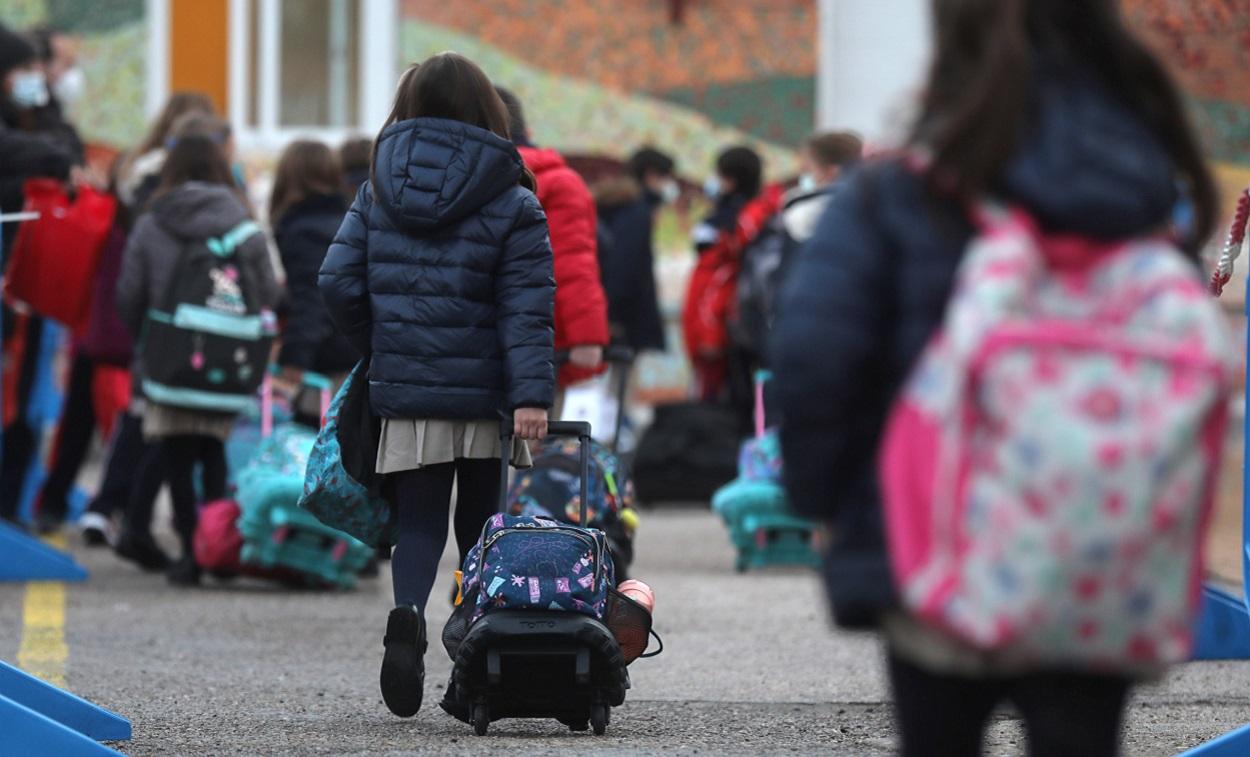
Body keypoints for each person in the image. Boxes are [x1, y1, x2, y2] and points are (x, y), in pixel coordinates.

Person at [771, 1, 1218, 755]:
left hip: (931, 541)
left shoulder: (897, 191)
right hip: (1098, 541)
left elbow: (815, 354)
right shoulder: (1140, 192)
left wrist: (823, 497)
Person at [319, 53, 555, 719]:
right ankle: (473, 652)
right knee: (479, 524)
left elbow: (335, 282)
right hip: (482, 392)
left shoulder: (376, 186)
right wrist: (532, 394)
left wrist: (380, 343)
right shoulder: (512, 196)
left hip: (407, 386)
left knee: (418, 519)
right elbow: (526, 308)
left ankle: (404, 620)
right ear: (488, 109)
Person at [115, 133, 279, 586]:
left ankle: (190, 550)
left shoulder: (153, 222)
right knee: (213, 452)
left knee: (175, 454)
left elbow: (129, 293)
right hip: (229, 357)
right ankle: (215, 546)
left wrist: (148, 339)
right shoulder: (243, 224)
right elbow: (267, 291)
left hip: (168, 358)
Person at [0, 23, 80, 527]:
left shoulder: (37, 119)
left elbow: (66, 145)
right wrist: (51, 161)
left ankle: (11, 509)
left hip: (30, 282)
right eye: (26, 69)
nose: (39, 78)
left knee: (26, 402)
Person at [495, 86, 608, 389]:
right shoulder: (561, 182)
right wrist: (586, 336)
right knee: (539, 432)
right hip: (544, 340)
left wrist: (587, 337)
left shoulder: (470, 178)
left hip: (485, 342)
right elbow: (572, 262)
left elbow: (571, 262)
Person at [683, 145, 781, 406]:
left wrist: (709, 335)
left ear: (731, 179)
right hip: (721, 327)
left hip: (724, 331)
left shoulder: (742, 225)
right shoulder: (734, 218)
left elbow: (722, 285)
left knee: (727, 402)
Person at [269, 139, 355, 415]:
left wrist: (295, 357)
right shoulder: (350, 218)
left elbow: (313, 296)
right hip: (356, 346)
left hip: (330, 356)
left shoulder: (303, 229)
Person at [592, 147, 676, 353]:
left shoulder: (616, 205)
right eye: (666, 178)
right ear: (651, 175)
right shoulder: (637, 211)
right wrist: (611, 315)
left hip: (608, 310)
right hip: (625, 319)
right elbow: (623, 263)